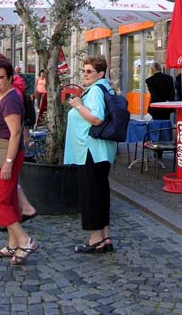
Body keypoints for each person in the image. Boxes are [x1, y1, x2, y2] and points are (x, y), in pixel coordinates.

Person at [0, 59, 38, 265]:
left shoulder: (10, 100)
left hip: (8, 154)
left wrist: (8, 161)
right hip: (0, 154)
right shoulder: (1, 96)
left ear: (9, 78)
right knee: (8, 200)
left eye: (0, 77)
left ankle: (25, 240)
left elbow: (16, 133)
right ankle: (13, 243)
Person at [64, 55, 117, 253]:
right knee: (100, 192)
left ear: (100, 73)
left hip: (89, 150)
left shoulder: (95, 91)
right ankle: (105, 236)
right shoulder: (104, 87)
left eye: (89, 72)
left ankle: (95, 239)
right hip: (99, 150)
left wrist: (78, 105)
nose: (85, 75)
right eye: (83, 71)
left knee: (91, 194)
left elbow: (96, 119)